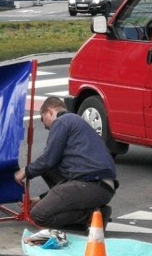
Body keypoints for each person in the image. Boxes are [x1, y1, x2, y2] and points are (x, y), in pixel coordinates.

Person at [14, 96, 117, 231]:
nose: (45, 127)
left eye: (43, 119)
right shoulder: (77, 123)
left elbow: (48, 160)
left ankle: (92, 216)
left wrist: (24, 171)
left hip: (91, 183)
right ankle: (92, 212)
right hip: (101, 187)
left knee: (38, 215)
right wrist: (40, 199)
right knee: (45, 168)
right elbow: (60, 174)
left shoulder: (62, 121)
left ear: (50, 112)